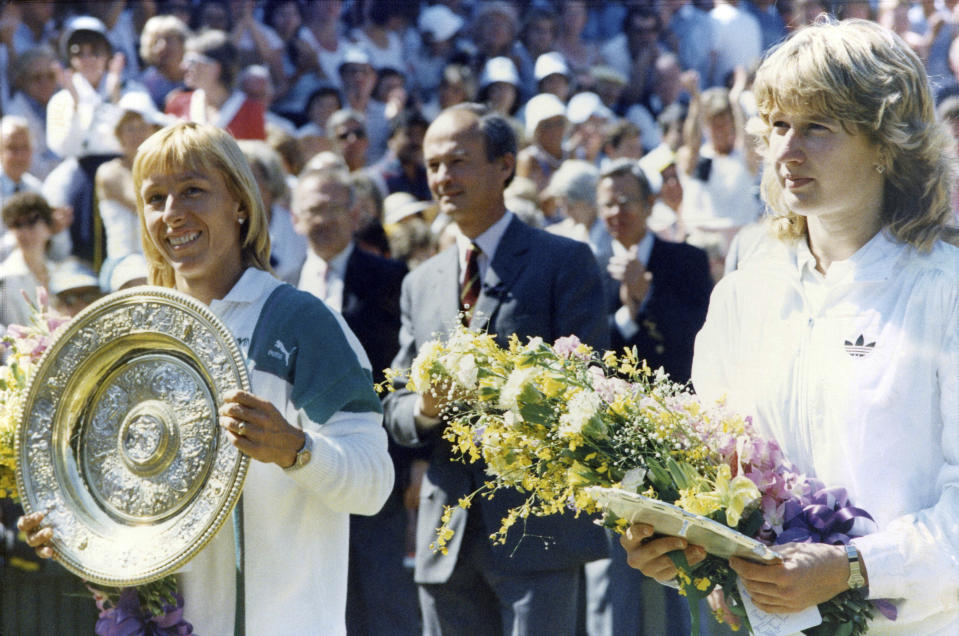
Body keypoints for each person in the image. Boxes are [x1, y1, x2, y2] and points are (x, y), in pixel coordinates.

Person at [620, 19, 959, 634]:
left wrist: (855, 566)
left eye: (817, 127)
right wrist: (679, 545)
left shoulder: (947, 292)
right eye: (777, 125)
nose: (785, 150)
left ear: (888, 143)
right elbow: (710, 469)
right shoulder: (743, 293)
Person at [19, 122, 394, 635]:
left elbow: (373, 482)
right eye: (155, 198)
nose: (173, 213)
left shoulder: (298, 321)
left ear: (240, 202)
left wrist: (296, 450)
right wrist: (70, 527)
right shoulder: (130, 336)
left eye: (193, 190)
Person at [382, 104, 610, 636]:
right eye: (434, 165)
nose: (443, 177)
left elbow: (596, 383)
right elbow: (392, 406)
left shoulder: (564, 261)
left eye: (458, 162)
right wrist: (425, 407)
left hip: (537, 530)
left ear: (505, 165)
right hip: (447, 537)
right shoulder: (421, 281)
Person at [291, 167, 420, 636]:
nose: (322, 220)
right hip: (298, 475)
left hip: (374, 471)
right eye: (311, 211)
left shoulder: (391, 279)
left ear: (355, 214)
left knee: (385, 606)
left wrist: (415, 464)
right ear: (294, 218)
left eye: (332, 208)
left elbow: (407, 375)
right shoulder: (277, 287)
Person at [165, 29, 266, 140]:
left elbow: (255, 152)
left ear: (215, 67)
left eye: (192, 61)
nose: (183, 66)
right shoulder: (177, 104)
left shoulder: (251, 110)